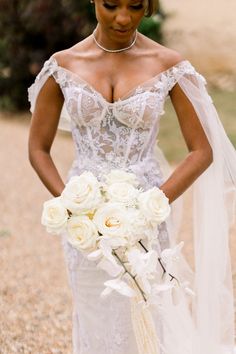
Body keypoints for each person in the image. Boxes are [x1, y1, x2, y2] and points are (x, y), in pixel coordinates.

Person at [28, 0, 236, 353]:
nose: (123, 18)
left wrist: (152, 203)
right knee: (95, 312)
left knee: (148, 310)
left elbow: (201, 150)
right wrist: (71, 205)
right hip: (85, 224)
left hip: (147, 219)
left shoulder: (169, 66)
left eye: (136, 6)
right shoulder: (63, 66)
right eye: (110, 5)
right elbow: (38, 149)